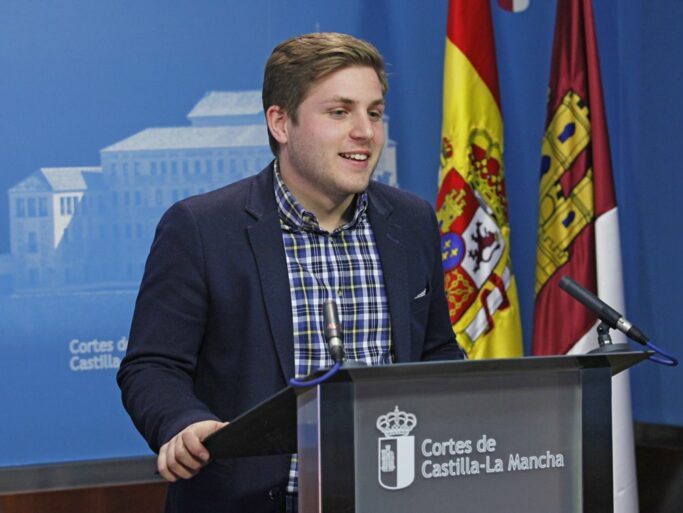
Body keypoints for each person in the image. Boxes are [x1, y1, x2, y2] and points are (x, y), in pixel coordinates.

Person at [117, 32, 462, 512]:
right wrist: (184, 422)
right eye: (339, 112)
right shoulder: (201, 227)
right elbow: (152, 366)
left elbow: (435, 350)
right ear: (281, 122)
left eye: (374, 113)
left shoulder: (411, 220)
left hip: (391, 495)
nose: (365, 131)